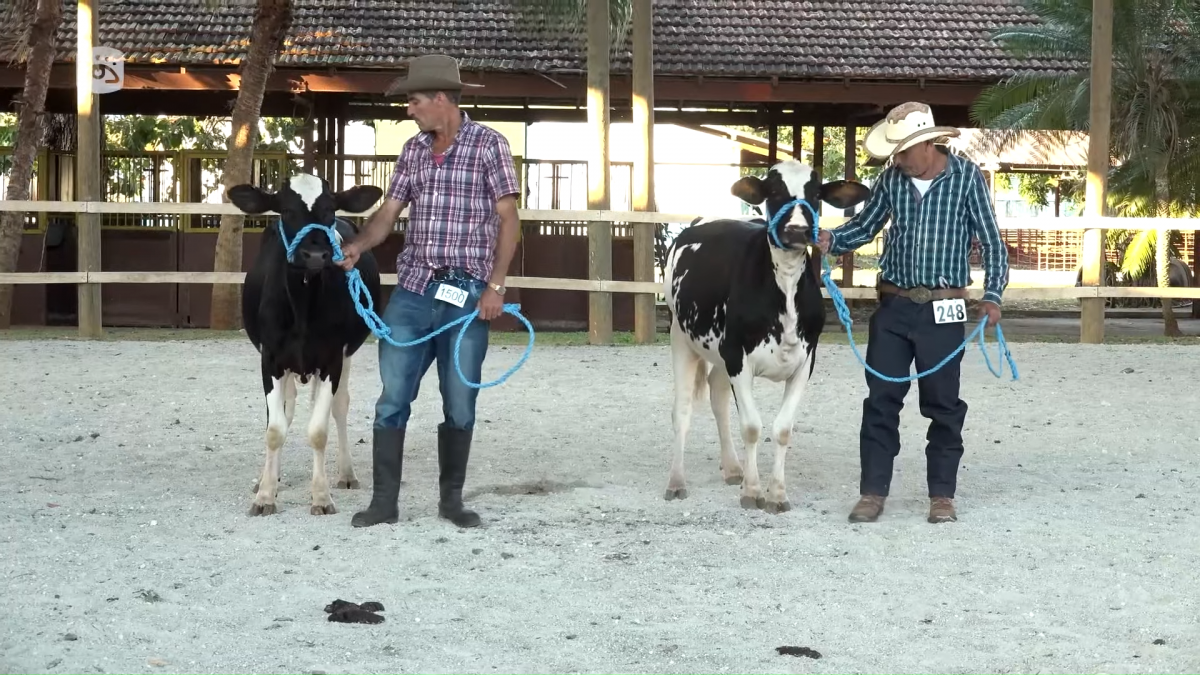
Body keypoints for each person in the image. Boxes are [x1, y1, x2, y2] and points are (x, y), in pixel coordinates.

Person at [335, 54, 521, 529]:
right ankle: (384, 503)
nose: (409, 109)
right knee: (393, 394)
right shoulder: (413, 151)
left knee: (460, 400)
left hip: (468, 295)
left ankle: (451, 501)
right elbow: (389, 213)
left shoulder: (489, 146)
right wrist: (357, 245)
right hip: (414, 292)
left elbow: (508, 221)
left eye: (414, 101)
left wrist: (495, 286)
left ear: (441, 100)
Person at [816, 101, 1009, 525]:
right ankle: (872, 493)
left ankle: (942, 496)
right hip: (894, 306)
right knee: (881, 401)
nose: (898, 159)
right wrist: (830, 238)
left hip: (945, 307)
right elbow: (865, 227)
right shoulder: (891, 180)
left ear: (926, 144)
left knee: (943, 404)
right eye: (895, 153)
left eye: (903, 151)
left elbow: (993, 242)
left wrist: (992, 296)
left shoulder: (966, 179)